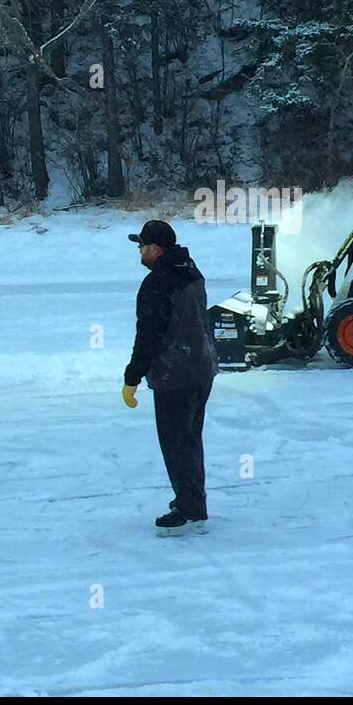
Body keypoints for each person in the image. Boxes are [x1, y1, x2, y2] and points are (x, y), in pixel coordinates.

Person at [122, 220, 219, 536]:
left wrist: (132, 376)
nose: (139, 251)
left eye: (142, 245)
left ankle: (189, 507)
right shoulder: (190, 269)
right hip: (201, 367)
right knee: (190, 438)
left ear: (155, 248)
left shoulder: (157, 283)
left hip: (176, 373)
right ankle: (194, 501)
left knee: (176, 441)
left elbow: (147, 336)